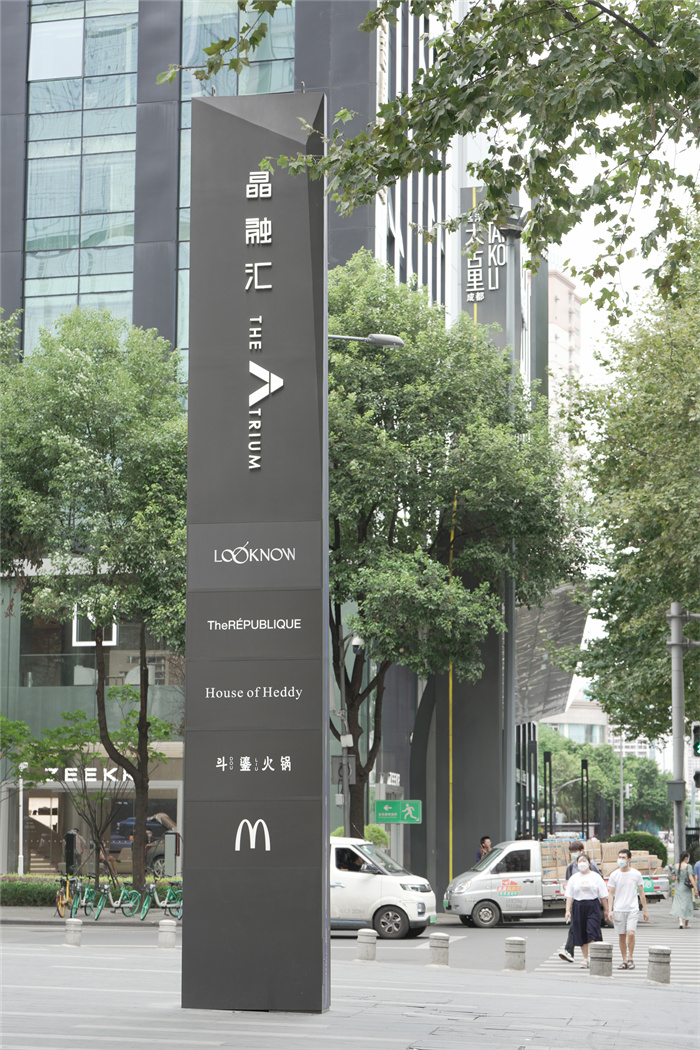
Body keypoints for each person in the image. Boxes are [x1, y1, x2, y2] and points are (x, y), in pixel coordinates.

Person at [564, 852, 610, 968]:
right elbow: (569, 895)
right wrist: (567, 910)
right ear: (576, 864)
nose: (582, 863)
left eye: (584, 861)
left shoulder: (596, 877)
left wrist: (607, 910)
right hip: (578, 906)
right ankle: (585, 959)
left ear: (589, 863)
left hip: (593, 905)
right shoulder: (574, 878)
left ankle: (592, 957)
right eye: (580, 861)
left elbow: (603, 896)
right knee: (581, 933)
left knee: (592, 930)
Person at [558, 841, 602, 963]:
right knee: (578, 927)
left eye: (575, 852)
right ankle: (572, 952)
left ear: (582, 851)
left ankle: (572, 951)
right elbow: (569, 886)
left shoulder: (591, 865)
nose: (573, 854)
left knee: (590, 928)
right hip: (578, 903)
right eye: (571, 852)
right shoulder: (571, 866)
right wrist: (568, 908)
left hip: (592, 902)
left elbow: (599, 880)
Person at [607, 848, 649, 969]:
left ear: (629, 859)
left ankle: (630, 958)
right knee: (622, 936)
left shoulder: (636, 874)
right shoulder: (614, 875)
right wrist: (610, 910)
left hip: (632, 908)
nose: (621, 859)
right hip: (619, 909)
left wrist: (645, 910)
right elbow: (611, 893)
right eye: (619, 857)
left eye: (623, 857)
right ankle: (624, 960)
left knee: (630, 933)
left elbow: (641, 893)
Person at [670, 851, 697, 929]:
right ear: (686, 858)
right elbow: (690, 878)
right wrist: (695, 888)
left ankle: (680, 922)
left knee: (678, 904)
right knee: (687, 904)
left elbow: (673, 878)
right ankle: (686, 923)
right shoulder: (688, 866)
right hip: (686, 888)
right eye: (688, 857)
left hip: (678, 887)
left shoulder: (675, 866)